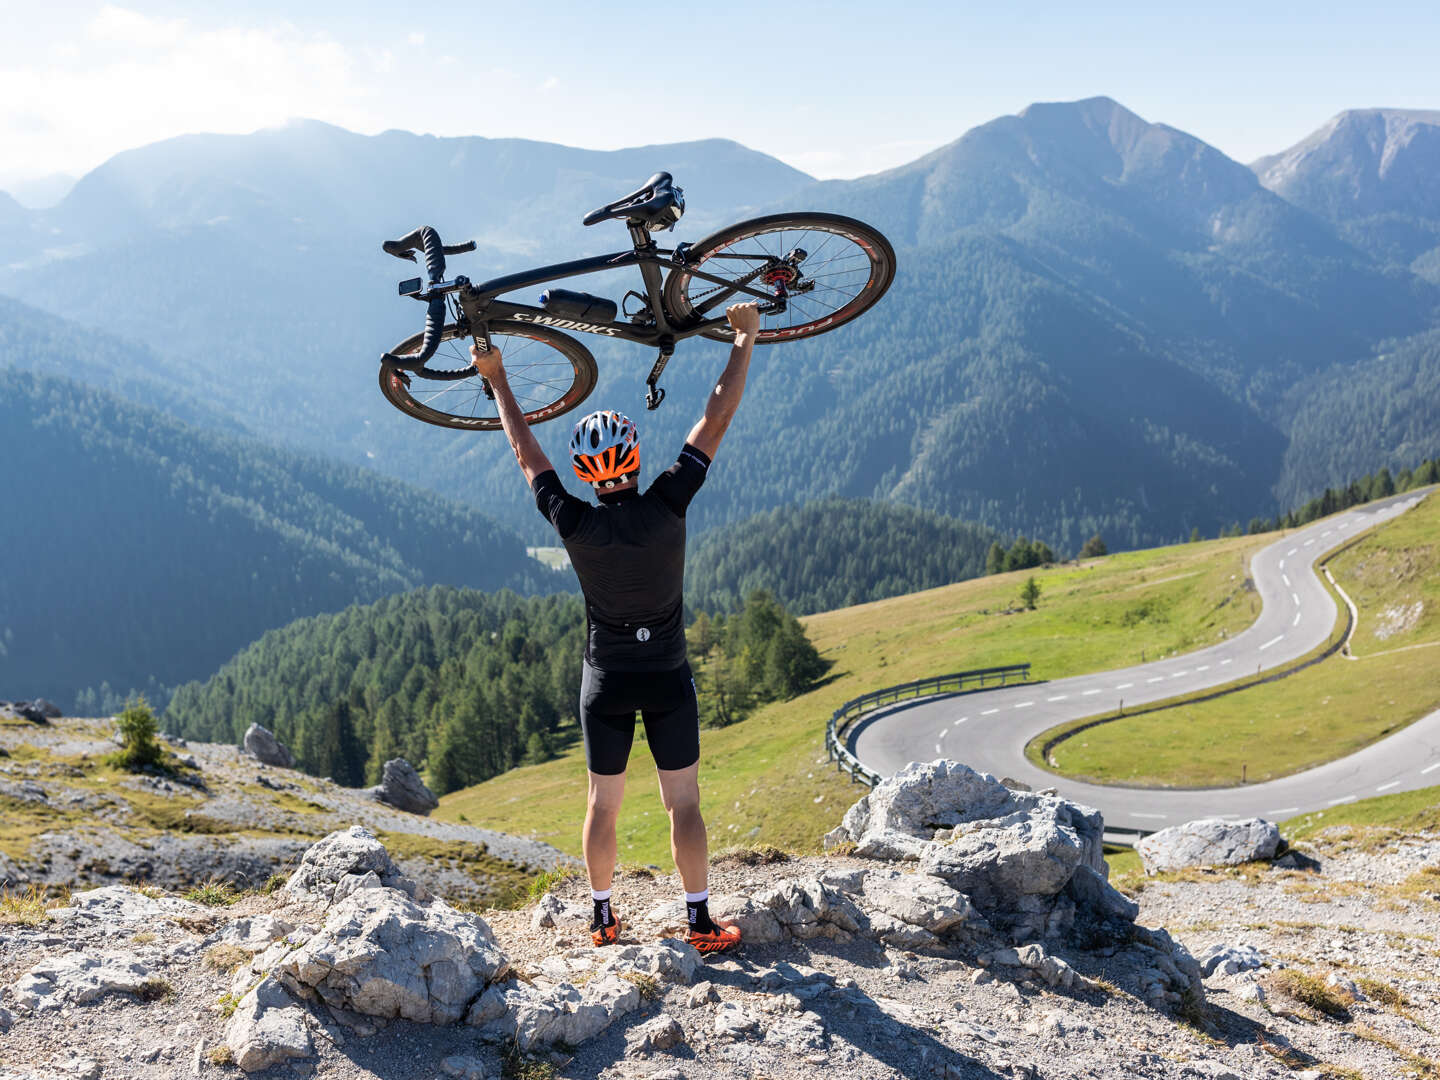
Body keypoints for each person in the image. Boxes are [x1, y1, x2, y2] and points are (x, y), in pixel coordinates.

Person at [469, 301, 762, 953]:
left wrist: (498, 380)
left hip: (604, 682)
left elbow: (525, 453)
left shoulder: (574, 523)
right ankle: (699, 922)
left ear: (586, 475)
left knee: (603, 805)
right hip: (666, 679)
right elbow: (716, 416)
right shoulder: (667, 502)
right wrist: (743, 338)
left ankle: (602, 919)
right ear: (633, 459)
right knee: (682, 803)